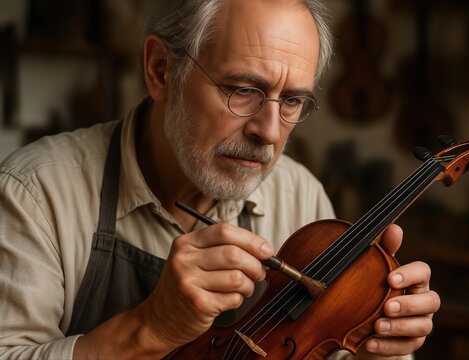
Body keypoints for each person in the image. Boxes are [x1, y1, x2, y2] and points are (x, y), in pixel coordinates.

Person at [0, 0, 440, 359]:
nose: (269, 132)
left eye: (292, 101)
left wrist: (376, 342)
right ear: (160, 71)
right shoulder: (33, 194)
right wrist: (149, 328)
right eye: (242, 90)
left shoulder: (301, 196)